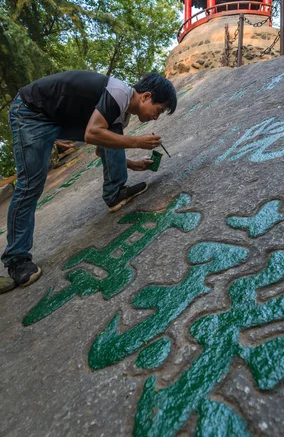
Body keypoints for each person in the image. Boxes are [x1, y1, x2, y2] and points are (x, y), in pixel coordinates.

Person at [0, 70, 177, 293]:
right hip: (31, 113)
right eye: (158, 110)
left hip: (58, 117)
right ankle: (16, 259)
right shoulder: (119, 93)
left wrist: (130, 163)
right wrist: (137, 142)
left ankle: (115, 192)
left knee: (113, 130)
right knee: (31, 184)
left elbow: (99, 147)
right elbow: (92, 134)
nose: (156, 117)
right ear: (145, 96)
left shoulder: (120, 111)